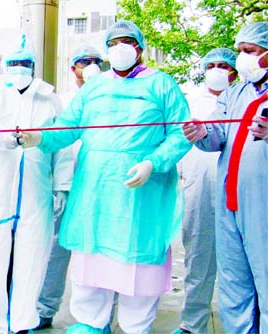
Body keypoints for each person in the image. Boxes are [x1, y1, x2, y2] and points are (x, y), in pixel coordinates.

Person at [18, 20, 191, 334]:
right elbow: (68, 126)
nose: (121, 47)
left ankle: (136, 327)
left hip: (141, 190)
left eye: (128, 41)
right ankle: (91, 323)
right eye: (115, 42)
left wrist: (153, 163)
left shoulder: (162, 85)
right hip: (95, 189)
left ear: (139, 47)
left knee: (137, 267)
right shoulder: (95, 87)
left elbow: (180, 134)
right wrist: (39, 136)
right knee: (91, 260)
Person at [0, 35, 71, 334]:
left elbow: (62, 146)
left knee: (33, 257)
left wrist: (61, 186)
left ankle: (23, 323)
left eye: (25, 64)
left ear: (34, 67)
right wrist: (7, 138)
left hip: (35, 188)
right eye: (13, 63)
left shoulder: (50, 98)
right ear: (5, 66)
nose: (19, 69)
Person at [181, 22, 268, 333]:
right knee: (234, 283)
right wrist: (201, 132)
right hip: (229, 200)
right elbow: (217, 135)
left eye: (249, 52)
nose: (242, 58)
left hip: (263, 205)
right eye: (241, 50)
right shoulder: (236, 92)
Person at [34, 45, 103, 331]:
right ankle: (44, 309)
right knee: (54, 250)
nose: (90, 67)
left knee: (98, 251)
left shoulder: (109, 97)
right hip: (67, 184)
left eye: (96, 62)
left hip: (100, 185)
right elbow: (56, 146)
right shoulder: (61, 101)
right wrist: (58, 186)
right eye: (84, 62)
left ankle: (97, 319)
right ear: (72, 67)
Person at [171, 48, 238, 334]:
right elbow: (177, 144)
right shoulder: (190, 103)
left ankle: (242, 324)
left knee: (239, 267)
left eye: (223, 65)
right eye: (211, 65)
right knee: (198, 260)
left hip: (237, 191)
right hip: (199, 190)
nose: (217, 70)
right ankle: (192, 325)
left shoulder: (243, 100)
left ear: (234, 70)